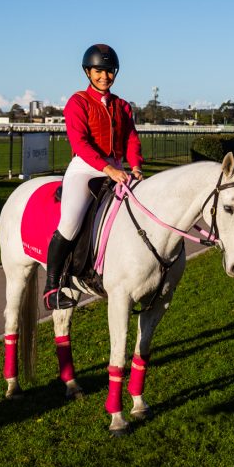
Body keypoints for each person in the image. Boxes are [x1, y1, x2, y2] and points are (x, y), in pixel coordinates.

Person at [43, 44, 144, 311]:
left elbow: (132, 139)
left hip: (118, 168)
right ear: (88, 72)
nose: (104, 76)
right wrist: (107, 168)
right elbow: (81, 141)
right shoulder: (77, 102)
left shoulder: (122, 105)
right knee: (70, 222)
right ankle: (51, 287)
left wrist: (136, 166)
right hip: (85, 168)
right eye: (99, 71)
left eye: (109, 71)